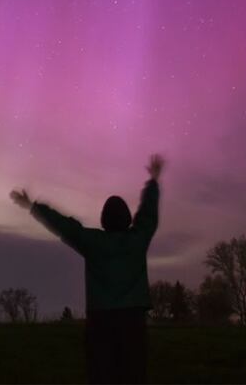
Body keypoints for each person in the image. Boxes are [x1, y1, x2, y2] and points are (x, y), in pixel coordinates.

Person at [11, 154, 163, 383]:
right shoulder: (137, 239)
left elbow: (65, 227)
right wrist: (153, 181)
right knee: (134, 373)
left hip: (100, 319)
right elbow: (148, 214)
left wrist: (33, 207)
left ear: (104, 220)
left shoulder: (94, 242)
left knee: (100, 374)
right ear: (127, 218)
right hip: (133, 319)